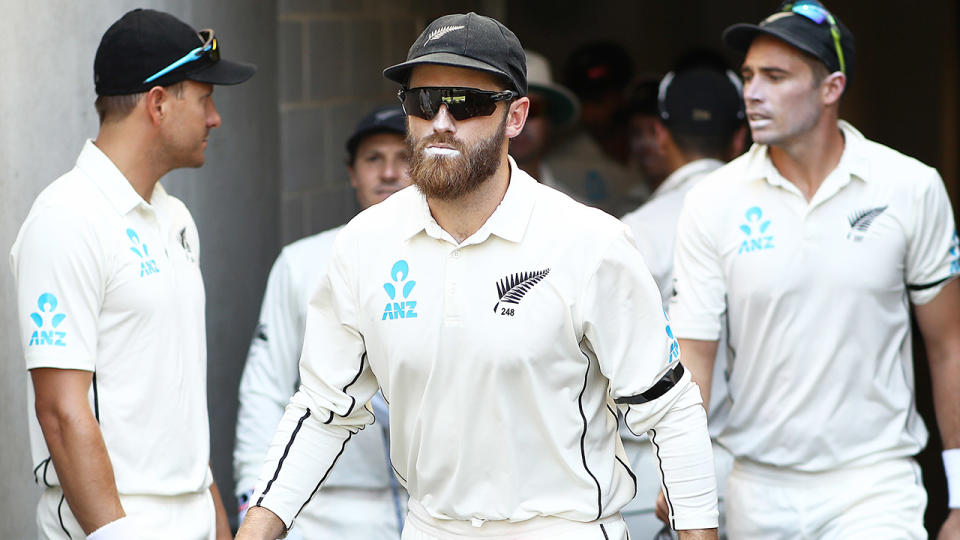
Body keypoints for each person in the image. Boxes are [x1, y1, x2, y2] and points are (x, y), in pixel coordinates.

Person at [237, 12, 718, 540]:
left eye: (467, 103)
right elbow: (323, 411)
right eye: (424, 102)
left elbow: (671, 410)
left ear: (515, 117)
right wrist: (256, 529)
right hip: (431, 527)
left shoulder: (589, 242)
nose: (441, 121)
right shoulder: (363, 244)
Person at [669, 2, 960, 538]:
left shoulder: (911, 187)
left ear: (831, 88)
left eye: (776, 77)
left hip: (875, 484)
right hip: (756, 485)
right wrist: (682, 476)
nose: (752, 92)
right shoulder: (713, 200)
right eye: (749, 75)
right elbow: (694, 356)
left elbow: (950, 346)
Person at [9, 8, 255, 539]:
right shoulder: (66, 219)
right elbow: (59, 409)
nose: (216, 118)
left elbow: (176, 402)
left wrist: (216, 523)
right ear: (159, 104)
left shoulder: (176, 218)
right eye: (205, 97)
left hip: (191, 513)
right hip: (115, 522)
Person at [233, 104, 412, 539]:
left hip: (427, 507)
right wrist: (250, 497)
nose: (388, 173)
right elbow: (265, 387)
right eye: (373, 159)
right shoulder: (302, 263)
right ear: (352, 173)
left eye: (404, 158)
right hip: (320, 507)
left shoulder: (453, 260)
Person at [620, 66, 748, 540]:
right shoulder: (772, 221)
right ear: (740, 137)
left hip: (654, 475)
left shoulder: (635, 230)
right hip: (757, 475)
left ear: (659, 132)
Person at [508, 50, 579, 194]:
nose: (521, 120)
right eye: (511, 110)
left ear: (549, 120)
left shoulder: (572, 212)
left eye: (533, 109)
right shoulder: (460, 210)